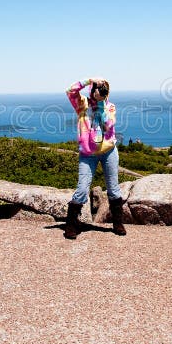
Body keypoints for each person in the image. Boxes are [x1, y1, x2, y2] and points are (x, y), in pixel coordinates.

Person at [64, 77, 126, 239]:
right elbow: (70, 91)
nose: (100, 91)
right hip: (88, 154)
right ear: (91, 90)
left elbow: (108, 125)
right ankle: (71, 224)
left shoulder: (110, 107)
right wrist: (88, 80)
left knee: (113, 188)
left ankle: (118, 223)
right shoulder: (82, 104)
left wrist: (100, 103)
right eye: (98, 88)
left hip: (108, 151)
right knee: (82, 188)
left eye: (103, 89)